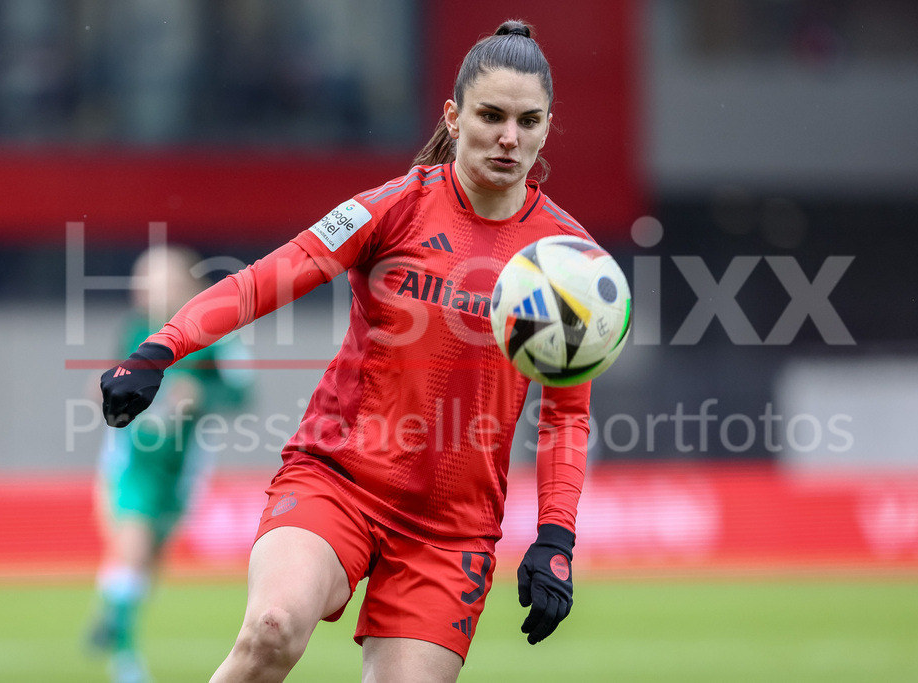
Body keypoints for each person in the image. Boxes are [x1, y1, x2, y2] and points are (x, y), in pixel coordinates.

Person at [101, 20, 594, 683]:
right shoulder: (388, 209)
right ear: (453, 116)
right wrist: (160, 348)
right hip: (338, 480)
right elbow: (260, 281)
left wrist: (556, 535)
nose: (510, 136)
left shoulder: (568, 261)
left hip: (451, 530)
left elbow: (567, 413)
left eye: (527, 120)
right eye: (492, 115)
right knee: (271, 630)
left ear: (546, 126)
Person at [88, 245, 252, 683]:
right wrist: (105, 390)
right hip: (133, 459)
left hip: (182, 469)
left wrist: (202, 398)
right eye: (141, 283)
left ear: (185, 286)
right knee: (134, 548)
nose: (144, 292)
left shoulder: (219, 335)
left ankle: (112, 610)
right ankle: (125, 663)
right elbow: (117, 381)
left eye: (156, 282)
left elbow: (240, 393)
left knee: (150, 564)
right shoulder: (135, 331)